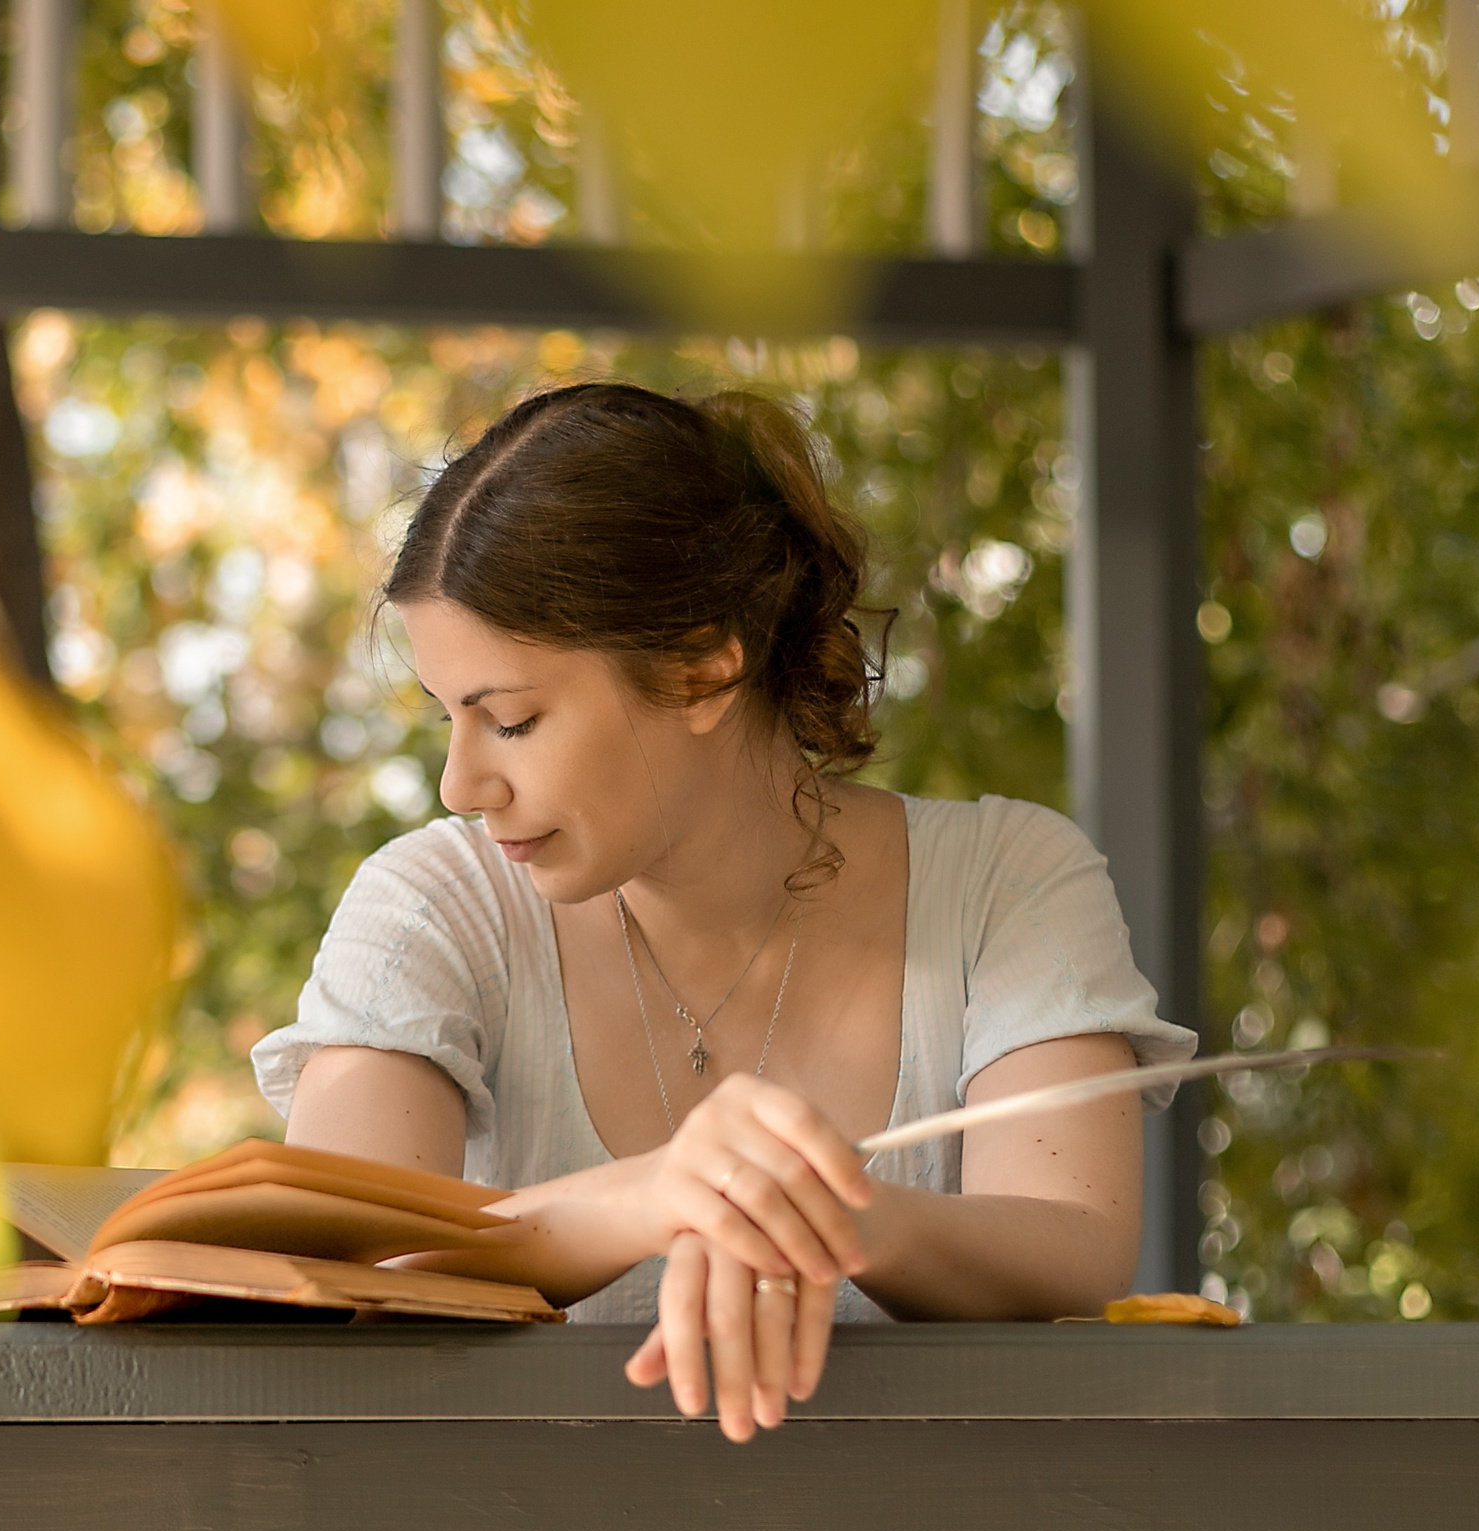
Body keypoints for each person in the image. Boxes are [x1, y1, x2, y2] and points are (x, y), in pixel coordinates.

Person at [250, 382, 1196, 1443]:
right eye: (447, 718)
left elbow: (1077, 1244)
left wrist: (812, 1209)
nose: (460, 784)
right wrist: (654, 1198)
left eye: (509, 722)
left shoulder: (1007, 880)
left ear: (702, 663)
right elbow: (345, 1261)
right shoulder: (436, 904)